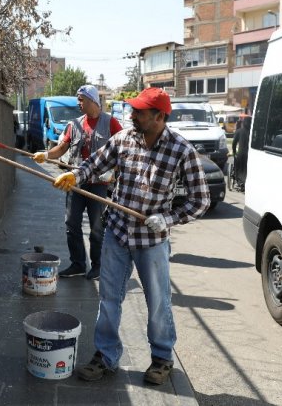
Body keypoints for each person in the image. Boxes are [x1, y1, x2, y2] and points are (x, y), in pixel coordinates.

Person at [51, 87, 209, 385]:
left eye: (139, 112)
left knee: (158, 302)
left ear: (160, 116)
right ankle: (105, 355)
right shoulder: (124, 139)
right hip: (118, 233)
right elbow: (95, 164)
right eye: (133, 110)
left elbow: (200, 201)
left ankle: (162, 358)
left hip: (151, 242)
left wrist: (168, 218)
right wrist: (76, 176)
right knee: (109, 298)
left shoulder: (181, 150)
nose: (133, 115)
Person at [33, 84, 122, 280]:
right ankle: (78, 264)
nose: (78, 103)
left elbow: (122, 151)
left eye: (81, 99)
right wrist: (46, 154)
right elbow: (62, 148)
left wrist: (116, 171)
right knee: (71, 224)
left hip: (98, 185)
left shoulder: (111, 123)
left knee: (97, 228)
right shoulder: (74, 125)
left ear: (92, 100)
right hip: (74, 182)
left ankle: (98, 266)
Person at [232, 116, 251, 192]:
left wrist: (234, 152)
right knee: (246, 168)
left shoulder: (239, 131)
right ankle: (245, 182)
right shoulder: (251, 132)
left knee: (237, 166)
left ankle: (239, 181)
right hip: (249, 154)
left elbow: (234, 143)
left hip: (240, 153)